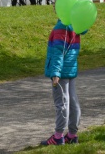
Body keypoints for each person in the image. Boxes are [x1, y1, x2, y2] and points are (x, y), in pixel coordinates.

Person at [41, 11, 87, 146]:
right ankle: (72, 135)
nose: (54, 8)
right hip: (70, 69)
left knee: (62, 103)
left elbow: (58, 53)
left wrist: (55, 73)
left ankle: (58, 136)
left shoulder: (62, 27)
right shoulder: (75, 25)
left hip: (61, 71)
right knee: (73, 102)